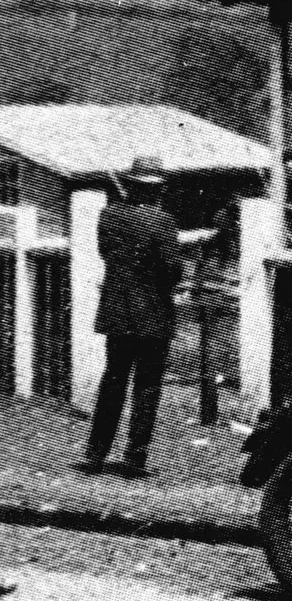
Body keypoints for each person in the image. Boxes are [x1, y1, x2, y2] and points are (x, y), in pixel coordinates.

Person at [75, 156, 182, 478]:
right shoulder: (162, 221)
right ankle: (134, 459)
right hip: (152, 312)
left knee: (112, 381)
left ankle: (95, 454)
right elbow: (172, 270)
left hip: (117, 309)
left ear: (132, 185)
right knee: (147, 386)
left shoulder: (108, 215)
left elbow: (106, 254)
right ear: (157, 189)